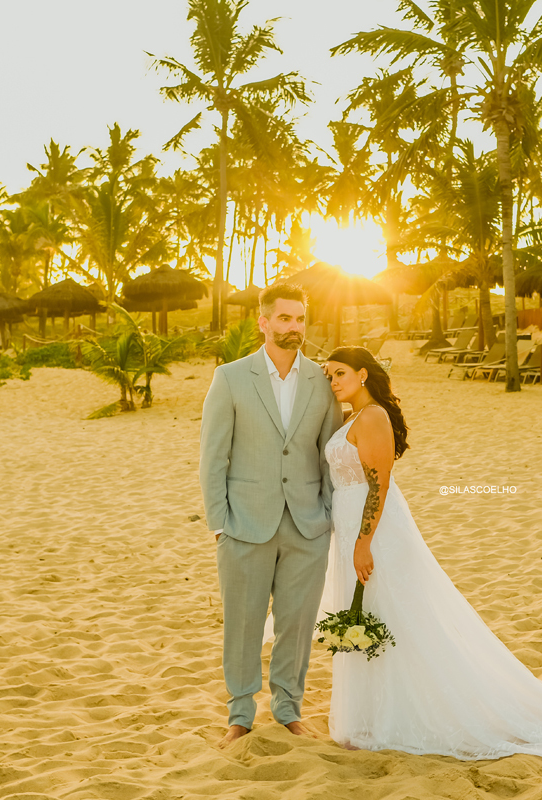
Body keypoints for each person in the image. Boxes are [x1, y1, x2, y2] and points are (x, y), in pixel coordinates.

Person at [320, 346, 542, 759]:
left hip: (374, 532)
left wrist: (364, 543)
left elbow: (379, 483)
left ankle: (399, 715)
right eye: (329, 375)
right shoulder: (350, 415)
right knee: (374, 615)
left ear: (363, 375)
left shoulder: (373, 417)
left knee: (395, 617)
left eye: (341, 373)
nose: (333, 381)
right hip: (349, 526)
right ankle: (369, 716)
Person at [199, 285, 343, 747]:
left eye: (300, 319)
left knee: (297, 623)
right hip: (245, 523)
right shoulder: (231, 377)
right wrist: (220, 523)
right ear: (263, 322)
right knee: (242, 620)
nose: (294, 328)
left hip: (307, 524)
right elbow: (213, 457)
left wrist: (325, 514)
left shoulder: (322, 382)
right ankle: (240, 712)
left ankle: (287, 707)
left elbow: (328, 454)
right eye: (284, 319)